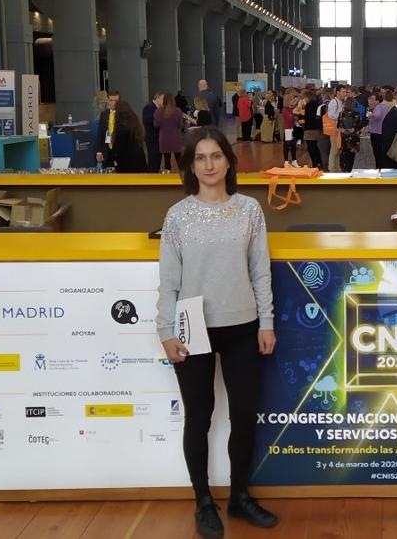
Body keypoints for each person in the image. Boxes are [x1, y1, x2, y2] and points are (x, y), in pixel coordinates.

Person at [156, 127, 278, 538]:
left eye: (216, 156)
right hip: (193, 329)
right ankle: (203, 502)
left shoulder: (249, 210)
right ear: (191, 166)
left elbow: (260, 271)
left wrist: (266, 322)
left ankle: (240, 496)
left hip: (243, 327)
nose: (209, 165)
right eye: (200, 158)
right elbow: (169, 281)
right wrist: (165, 330)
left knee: (243, 415)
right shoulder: (177, 215)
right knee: (199, 416)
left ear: (229, 161)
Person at [108, 100, 148, 173]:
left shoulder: (121, 128)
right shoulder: (136, 124)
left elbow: (118, 148)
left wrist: (111, 159)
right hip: (140, 161)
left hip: (126, 164)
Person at [154, 94, 185, 172]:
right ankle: (184, 175)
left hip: (164, 138)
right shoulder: (178, 111)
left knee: (166, 159)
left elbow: (156, 124)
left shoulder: (158, 111)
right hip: (175, 138)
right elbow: (180, 125)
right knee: (179, 158)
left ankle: (167, 175)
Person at [337, 97, 365, 172]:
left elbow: (338, 126)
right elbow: (360, 126)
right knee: (351, 155)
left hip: (344, 137)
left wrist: (343, 130)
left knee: (344, 154)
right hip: (353, 137)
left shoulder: (341, 114)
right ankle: (350, 170)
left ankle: (344, 169)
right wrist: (354, 130)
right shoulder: (356, 114)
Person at [94, 90, 120, 164]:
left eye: (116, 101)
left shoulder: (123, 114)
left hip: (120, 151)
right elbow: (100, 134)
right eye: (111, 100)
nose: (113, 103)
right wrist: (99, 152)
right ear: (107, 101)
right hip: (107, 152)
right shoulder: (103, 114)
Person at [369, 89, 392, 169]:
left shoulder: (377, 107)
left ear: (377, 101)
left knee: (377, 153)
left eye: (372, 99)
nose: (370, 101)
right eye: (370, 99)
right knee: (382, 153)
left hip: (376, 133)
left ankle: (378, 169)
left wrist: (371, 115)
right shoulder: (384, 106)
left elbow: (377, 115)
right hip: (383, 132)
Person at [302, 90, 324, 168]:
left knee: (310, 147)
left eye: (304, 97)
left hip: (309, 129)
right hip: (317, 129)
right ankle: (319, 162)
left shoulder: (308, 105)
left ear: (307, 97)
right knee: (315, 146)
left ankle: (315, 163)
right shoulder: (318, 105)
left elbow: (307, 118)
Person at [143, 93, 164, 171]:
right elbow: (147, 120)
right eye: (163, 99)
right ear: (157, 98)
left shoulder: (158, 108)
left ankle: (155, 175)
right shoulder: (149, 107)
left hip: (158, 139)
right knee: (153, 161)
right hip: (152, 139)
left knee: (157, 160)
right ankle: (151, 176)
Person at [281, 91, 300, 165]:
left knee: (293, 145)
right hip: (288, 129)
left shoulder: (292, 109)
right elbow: (289, 119)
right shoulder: (285, 109)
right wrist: (294, 114)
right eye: (292, 99)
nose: (293, 101)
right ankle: (286, 161)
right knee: (287, 145)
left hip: (293, 128)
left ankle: (294, 160)